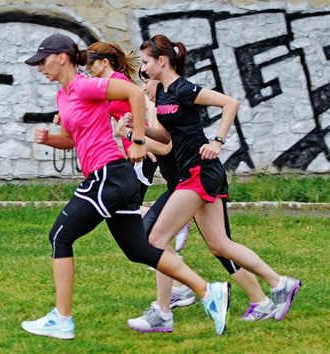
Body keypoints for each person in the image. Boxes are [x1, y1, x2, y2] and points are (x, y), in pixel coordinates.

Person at [20, 33, 231, 340]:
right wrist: (49, 139)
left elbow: (134, 92)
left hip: (109, 175)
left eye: (43, 61)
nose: (40, 68)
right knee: (138, 249)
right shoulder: (63, 96)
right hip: (110, 178)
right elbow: (71, 139)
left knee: (60, 236)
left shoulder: (86, 85)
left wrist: (140, 141)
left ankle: (62, 319)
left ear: (61, 57)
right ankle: (208, 290)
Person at [126, 34, 301, 332]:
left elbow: (229, 103)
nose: (143, 69)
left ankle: (165, 311)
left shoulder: (183, 88)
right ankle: (279, 283)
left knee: (155, 239)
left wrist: (218, 141)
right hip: (197, 173)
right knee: (220, 245)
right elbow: (168, 139)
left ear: (161, 61)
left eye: (145, 62)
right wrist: (138, 129)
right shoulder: (165, 94)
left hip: (199, 172)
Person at [55, 43, 190, 253]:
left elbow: (147, 103)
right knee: (128, 209)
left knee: (129, 208)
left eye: (91, 64)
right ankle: (167, 250)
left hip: (141, 152)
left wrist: (143, 142)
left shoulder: (118, 81)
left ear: (104, 62)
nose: (88, 69)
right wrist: (64, 116)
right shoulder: (103, 84)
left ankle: (174, 223)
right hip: (132, 153)